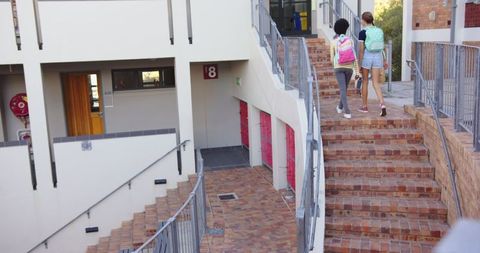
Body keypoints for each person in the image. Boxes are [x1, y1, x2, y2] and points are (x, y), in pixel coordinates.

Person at [358, 12, 388, 116]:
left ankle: (364, 107)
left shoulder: (363, 32)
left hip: (367, 56)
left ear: (364, 21)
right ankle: (382, 104)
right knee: (376, 83)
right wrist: (385, 60)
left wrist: (360, 64)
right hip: (378, 56)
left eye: (361, 19)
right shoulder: (379, 30)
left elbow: (361, 50)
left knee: (365, 81)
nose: (361, 21)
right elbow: (383, 46)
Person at [330, 18, 360, 119]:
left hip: (338, 67)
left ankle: (347, 111)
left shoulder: (333, 42)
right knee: (344, 89)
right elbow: (354, 56)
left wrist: (335, 65)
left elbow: (331, 59)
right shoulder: (350, 40)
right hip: (349, 68)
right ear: (346, 29)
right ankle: (339, 107)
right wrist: (357, 71)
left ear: (335, 29)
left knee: (343, 89)